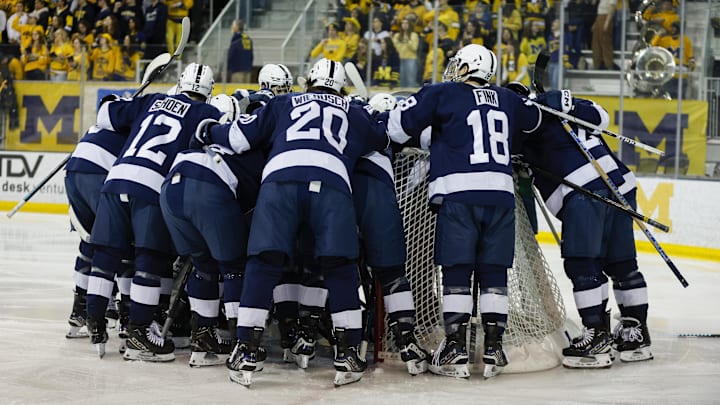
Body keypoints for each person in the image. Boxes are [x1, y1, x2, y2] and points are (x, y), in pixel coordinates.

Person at [194, 58, 389, 387]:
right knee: (340, 267)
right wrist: (368, 113)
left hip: (280, 180)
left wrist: (209, 129)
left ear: (309, 79)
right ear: (339, 86)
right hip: (332, 183)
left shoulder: (284, 101)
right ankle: (349, 351)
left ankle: (246, 347)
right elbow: (382, 140)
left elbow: (240, 138)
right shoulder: (351, 111)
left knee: (264, 262)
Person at [383, 44, 542, 379]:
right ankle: (494, 347)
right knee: (494, 272)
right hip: (500, 195)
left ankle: (454, 348)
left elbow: (397, 127)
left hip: (459, 193)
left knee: (457, 271)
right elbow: (534, 120)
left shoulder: (442, 93)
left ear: (467, 66)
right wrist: (524, 96)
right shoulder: (508, 99)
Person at [85, 63, 222, 361]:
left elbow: (105, 113)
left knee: (106, 255)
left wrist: (125, 102)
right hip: (151, 187)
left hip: (116, 178)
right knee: (150, 257)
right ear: (209, 92)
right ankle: (138, 333)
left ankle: (94, 321)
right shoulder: (207, 113)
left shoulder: (152, 100)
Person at [510, 84, 652, 367]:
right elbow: (602, 117)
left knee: (582, 264)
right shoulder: (562, 108)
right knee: (622, 263)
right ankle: (636, 334)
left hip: (584, 192)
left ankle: (596, 338)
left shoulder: (525, 123)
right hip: (621, 187)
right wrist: (568, 102)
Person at [159, 93, 265, 367]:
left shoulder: (197, 138)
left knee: (203, 265)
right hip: (208, 188)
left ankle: (202, 334)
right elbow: (252, 199)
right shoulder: (248, 145)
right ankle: (238, 339)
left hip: (171, 188)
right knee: (234, 267)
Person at [651, 20, 696, 99]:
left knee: (681, 98)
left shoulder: (685, 40)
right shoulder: (665, 40)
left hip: (682, 71)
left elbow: (690, 55)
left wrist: (692, 64)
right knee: (668, 96)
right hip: (669, 72)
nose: (672, 30)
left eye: (674, 28)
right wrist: (658, 35)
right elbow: (652, 46)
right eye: (671, 27)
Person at [591, 0, 617, 70]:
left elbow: (612, 7)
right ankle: (596, 64)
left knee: (605, 42)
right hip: (599, 17)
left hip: (605, 17)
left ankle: (608, 64)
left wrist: (607, 22)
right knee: (596, 43)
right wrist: (596, 22)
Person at [227, 19, 253, 83]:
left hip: (237, 71)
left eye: (233, 25)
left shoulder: (236, 39)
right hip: (247, 70)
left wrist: (228, 68)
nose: (232, 27)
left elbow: (231, 54)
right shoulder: (247, 38)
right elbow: (251, 55)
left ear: (237, 27)